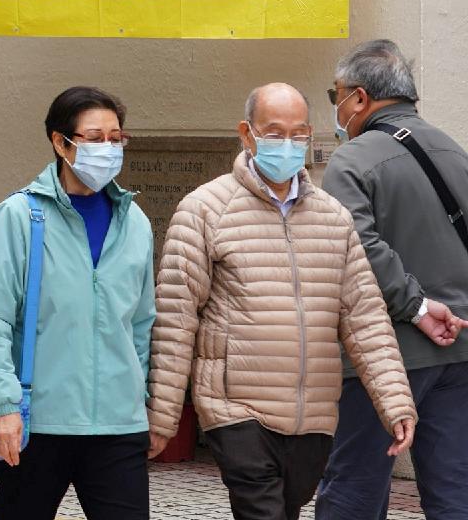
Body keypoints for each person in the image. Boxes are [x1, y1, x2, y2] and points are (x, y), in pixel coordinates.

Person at [148, 83, 418, 520]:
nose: (288, 144)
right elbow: (176, 319)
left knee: (286, 510)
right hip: (235, 408)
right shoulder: (204, 209)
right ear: (247, 133)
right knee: (262, 511)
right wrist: (163, 417)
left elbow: (365, 317)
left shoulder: (333, 217)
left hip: (312, 414)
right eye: (275, 132)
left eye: (298, 133)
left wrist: (395, 403)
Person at [0, 86, 155, 520]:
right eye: (93, 137)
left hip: (118, 426)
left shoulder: (135, 222)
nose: (107, 148)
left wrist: (139, 393)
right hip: (35, 423)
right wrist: (2, 406)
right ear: (60, 142)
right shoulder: (20, 215)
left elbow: (142, 321)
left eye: (116, 137)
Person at [315, 40, 468, 519]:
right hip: (459, 349)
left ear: (359, 98)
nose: (337, 108)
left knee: (354, 489)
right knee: (454, 489)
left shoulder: (352, 159)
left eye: (335, 95)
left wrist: (417, 307)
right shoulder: (454, 150)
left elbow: (356, 246)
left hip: (381, 356)